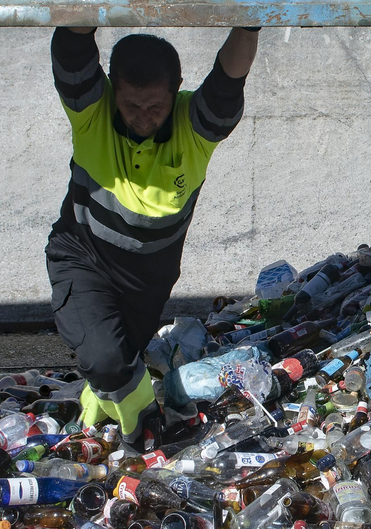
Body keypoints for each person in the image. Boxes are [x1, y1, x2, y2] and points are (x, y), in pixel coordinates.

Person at [46, 25, 259, 448]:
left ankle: (98, 410)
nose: (143, 116)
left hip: (149, 281)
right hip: (84, 256)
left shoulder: (193, 128)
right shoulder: (92, 112)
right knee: (107, 359)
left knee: (119, 365)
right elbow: (72, 47)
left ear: (176, 92)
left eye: (155, 107)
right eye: (131, 105)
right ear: (112, 89)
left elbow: (228, 78)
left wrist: (250, 17)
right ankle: (144, 434)